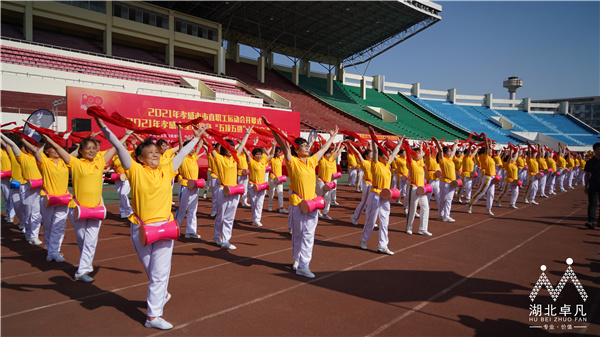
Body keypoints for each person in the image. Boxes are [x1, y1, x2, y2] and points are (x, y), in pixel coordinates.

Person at [100, 117, 208, 330]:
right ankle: (162, 295)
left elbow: (183, 153)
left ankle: (152, 316)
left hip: (166, 227)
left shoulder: (167, 169)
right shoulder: (135, 170)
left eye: (157, 153)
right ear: (140, 158)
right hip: (142, 227)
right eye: (151, 153)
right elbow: (119, 147)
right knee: (151, 269)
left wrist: (195, 139)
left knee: (160, 272)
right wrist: (104, 127)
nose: (156, 155)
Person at [42, 131, 121, 282]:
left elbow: (115, 147)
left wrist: (124, 136)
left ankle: (82, 270)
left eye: (94, 148)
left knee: (91, 240)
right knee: (82, 238)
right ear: (81, 151)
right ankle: (86, 262)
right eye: (88, 148)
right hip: (78, 208)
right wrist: (48, 139)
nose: (92, 150)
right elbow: (59, 151)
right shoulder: (75, 163)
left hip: (96, 207)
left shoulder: (100, 162)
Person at [266, 116, 338, 278]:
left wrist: (332, 137)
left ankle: (304, 265)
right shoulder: (293, 161)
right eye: (303, 146)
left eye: (307, 145)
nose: (307, 147)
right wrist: (272, 128)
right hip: (298, 203)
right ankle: (297, 260)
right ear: (296, 150)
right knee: (298, 234)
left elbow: (321, 150)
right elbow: (284, 147)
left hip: (312, 203)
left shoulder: (312, 161)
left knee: (308, 235)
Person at [209, 127, 253, 250]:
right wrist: (203, 136)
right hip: (223, 190)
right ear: (223, 148)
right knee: (221, 216)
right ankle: (217, 236)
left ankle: (226, 240)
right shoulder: (219, 158)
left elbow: (241, 146)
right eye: (228, 148)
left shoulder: (234, 158)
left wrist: (247, 134)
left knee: (229, 217)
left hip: (234, 190)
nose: (231, 150)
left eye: (232, 148)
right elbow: (210, 149)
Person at [360, 131, 403, 254]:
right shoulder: (375, 164)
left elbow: (394, 153)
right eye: (385, 154)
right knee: (371, 221)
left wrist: (398, 145)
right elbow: (374, 149)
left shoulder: (387, 165)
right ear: (379, 157)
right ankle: (363, 240)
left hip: (386, 196)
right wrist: (373, 138)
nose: (388, 156)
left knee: (385, 221)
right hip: (375, 195)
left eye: (388, 154)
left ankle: (382, 246)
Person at [1, 133, 44, 245]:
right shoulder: (21, 156)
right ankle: (28, 231)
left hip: (38, 187)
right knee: (27, 212)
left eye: (35, 146)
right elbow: (10, 144)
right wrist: (1, 134)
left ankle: (34, 235)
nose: (33, 148)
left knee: (36, 213)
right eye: (29, 146)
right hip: (25, 186)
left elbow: (50, 145)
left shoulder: (40, 156)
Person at [175, 124, 204, 239]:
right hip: (185, 186)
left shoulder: (194, 157)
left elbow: (200, 144)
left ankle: (190, 231)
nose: (192, 150)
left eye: (193, 148)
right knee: (182, 209)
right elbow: (181, 144)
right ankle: (176, 229)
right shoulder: (182, 157)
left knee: (193, 209)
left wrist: (202, 135)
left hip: (195, 186)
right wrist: (179, 131)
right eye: (190, 148)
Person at [244, 141, 275, 227]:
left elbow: (271, 156)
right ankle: (255, 219)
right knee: (254, 203)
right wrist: (243, 146)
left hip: (262, 186)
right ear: (253, 155)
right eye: (257, 154)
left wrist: (274, 146)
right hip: (252, 185)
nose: (259, 156)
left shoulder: (263, 160)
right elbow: (247, 154)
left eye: (260, 154)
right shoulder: (251, 162)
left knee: (259, 203)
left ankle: (257, 219)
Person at [466, 134, 496, 216]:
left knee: (491, 194)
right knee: (481, 192)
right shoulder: (484, 157)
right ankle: (469, 204)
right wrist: (486, 140)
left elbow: (488, 149)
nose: (491, 150)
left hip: (492, 177)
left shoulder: (490, 158)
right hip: (487, 177)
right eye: (490, 149)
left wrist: (489, 144)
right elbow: (486, 148)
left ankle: (489, 209)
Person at [405, 141, 431, 236]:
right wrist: (407, 147)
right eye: (418, 154)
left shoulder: (420, 162)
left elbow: (423, 153)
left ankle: (423, 229)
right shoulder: (411, 162)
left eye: (420, 154)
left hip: (422, 189)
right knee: (412, 208)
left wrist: (422, 146)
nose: (421, 155)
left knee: (425, 208)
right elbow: (408, 155)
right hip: (414, 187)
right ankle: (409, 227)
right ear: (414, 155)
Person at [432, 137, 459, 222]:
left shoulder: (450, 159)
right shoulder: (442, 160)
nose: (450, 153)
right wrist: (437, 142)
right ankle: (443, 215)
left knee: (448, 199)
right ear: (444, 153)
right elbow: (440, 151)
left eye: (450, 152)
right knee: (444, 199)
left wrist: (456, 144)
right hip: (445, 182)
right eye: (448, 152)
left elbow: (454, 150)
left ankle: (444, 215)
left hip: (452, 182)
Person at [316, 142, 343, 220]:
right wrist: (321, 144)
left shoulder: (331, 160)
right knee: (320, 197)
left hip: (328, 182)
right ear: (324, 154)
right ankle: (317, 213)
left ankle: (325, 213)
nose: (329, 155)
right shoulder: (322, 160)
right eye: (327, 154)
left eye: (330, 154)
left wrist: (342, 147)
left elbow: (337, 153)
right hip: (320, 181)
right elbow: (321, 150)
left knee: (327, 199)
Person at [349, 144, 373, 226]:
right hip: (368, 184)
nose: (372, 156)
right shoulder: (365, 162)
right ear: (366, 156)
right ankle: (354, 217)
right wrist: (351, 147)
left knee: (371, 204)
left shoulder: (374, 163)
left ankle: (370, 220)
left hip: (373, 185)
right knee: (364, 202)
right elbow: (358, 154)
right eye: (371, 155)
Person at [584, 142, 600, 230]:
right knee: (592, 204)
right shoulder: (590, 162)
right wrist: (586, 186)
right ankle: (591, 221)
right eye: (598, 149)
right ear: (594, 151)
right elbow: (587, 174)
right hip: (593, 185)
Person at [267, 146, 288, 214]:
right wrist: (273, 146)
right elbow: (270, 154)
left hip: (279, 179)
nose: (279, 154)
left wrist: (287, 146)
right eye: (278, 152)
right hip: (272, 178)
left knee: (280, 193)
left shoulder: (280, 159)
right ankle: (270, 206)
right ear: (275, 153)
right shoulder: (272, 159)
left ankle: (281, 208)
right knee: (271, 193)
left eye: (280, 152)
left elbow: (286, 153)